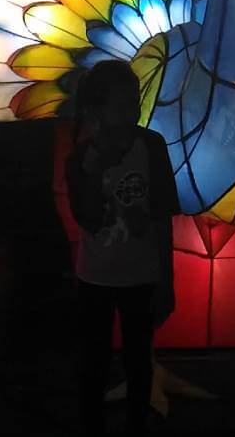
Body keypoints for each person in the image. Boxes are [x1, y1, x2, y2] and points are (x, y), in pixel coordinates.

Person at [66, 60, 179, 435]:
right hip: (95, 277)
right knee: (93, 362)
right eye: (123, 106)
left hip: (141, 275)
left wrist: (167, 278)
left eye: (135, 103)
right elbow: (87, 219)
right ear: (96, 111)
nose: (132, 113)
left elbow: (163, 215)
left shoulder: (151, 145)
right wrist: (95, 174)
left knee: (138, 362)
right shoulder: (80, 157)